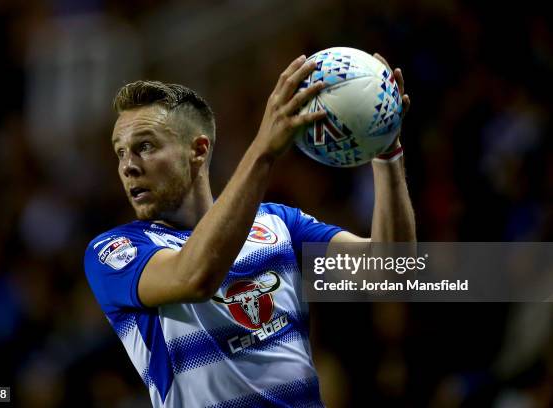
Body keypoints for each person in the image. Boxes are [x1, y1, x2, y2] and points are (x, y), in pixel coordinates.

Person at [84, 53, 415, 407]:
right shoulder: (116, 250)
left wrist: (385, 148)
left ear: (198, 150)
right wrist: (264, 149)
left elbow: (391, 273)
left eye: (145, 146)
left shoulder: (279, 224)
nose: (128, 166)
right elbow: (195, 276)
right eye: (120, 153)